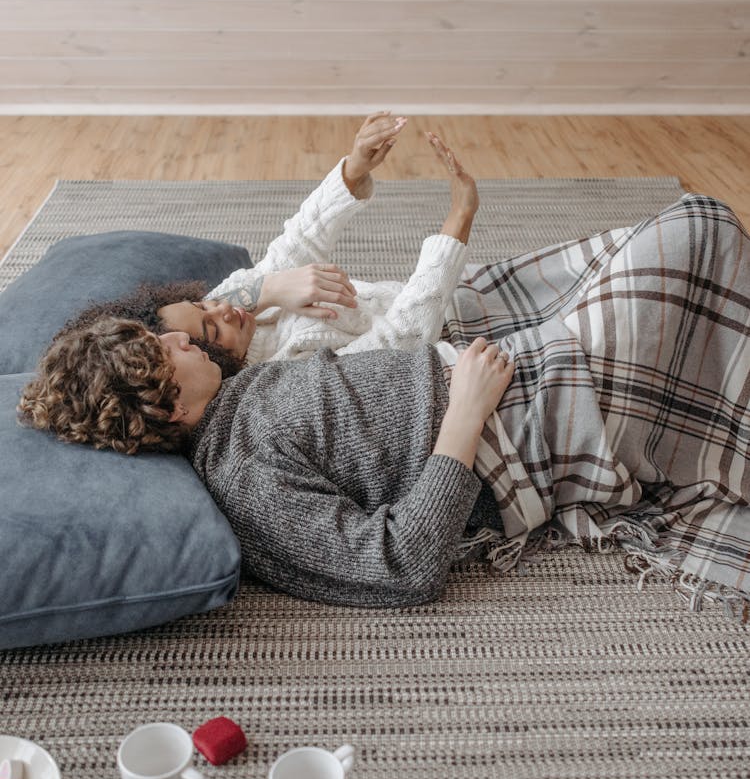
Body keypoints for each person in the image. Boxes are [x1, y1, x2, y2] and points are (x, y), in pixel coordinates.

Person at [18, 191, 750, 622]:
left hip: (500, 366)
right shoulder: (242, 478)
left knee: (684, 246)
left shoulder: (242, 391)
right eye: (164, 350)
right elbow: (398, 566)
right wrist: (462, 418)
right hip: (522, 430)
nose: (179, 339)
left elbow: (255, 288)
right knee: (696, 235)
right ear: (169, 407)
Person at [61, 114, 481, 369]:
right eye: (212, 326)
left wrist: (354, 167)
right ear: (210, 362)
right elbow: (401, 344)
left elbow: (295, 244)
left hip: (438, 294)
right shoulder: (282, 369)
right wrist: (457, 222)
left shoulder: (234, 303)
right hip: (448, 337)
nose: (223, 309)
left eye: (202, 304)